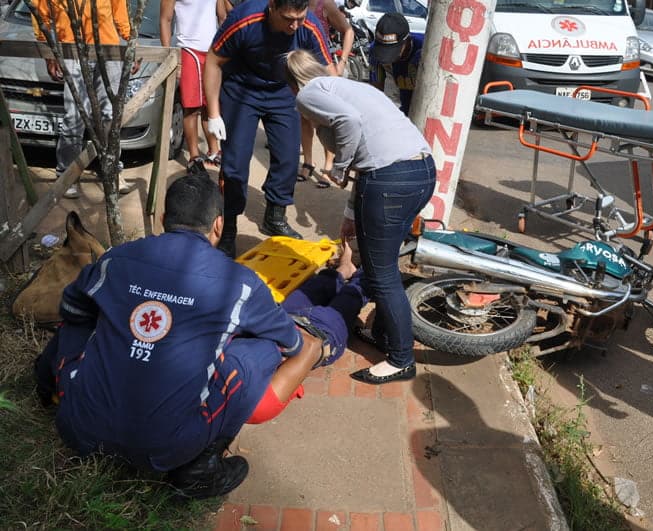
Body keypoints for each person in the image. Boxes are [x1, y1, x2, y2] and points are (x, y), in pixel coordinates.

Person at [34, 171, 368, 498]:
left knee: (77, 323)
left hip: (78, 427)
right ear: (218, 225)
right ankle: (200, 467)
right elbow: (291, 342)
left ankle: (46, 383)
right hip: (166, 446)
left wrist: (126, 327)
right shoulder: (238, 283)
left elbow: (74, 310)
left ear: (165, 218)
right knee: (265, 350)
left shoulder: (115, 260)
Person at [285, 49, 436, 384]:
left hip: (389, 179)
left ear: (293, 84)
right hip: (421, 171)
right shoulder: (348, 86)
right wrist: (353, 215)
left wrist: (336, 169)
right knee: (381, 264)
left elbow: (349, 126)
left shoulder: (309, 94)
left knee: (380, 273)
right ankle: (386, 334)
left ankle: (401, 359)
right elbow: (368, 150)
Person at [203, 0, 334, 258]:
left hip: (282, 91)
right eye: (288, 18)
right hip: (241, 89)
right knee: (236, 165)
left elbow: (328, 72)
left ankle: (275, 215)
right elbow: (212, 61)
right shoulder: (244, 19)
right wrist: (214, 114)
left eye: (300, 17)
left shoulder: (310, 26)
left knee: (287, 157)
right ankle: (228, 225)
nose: (295, 25)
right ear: (272, 7)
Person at [31, 0, 135, 198]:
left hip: (108, 48)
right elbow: (40, 14)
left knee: (110, 115)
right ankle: (67, 175)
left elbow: (120, 12)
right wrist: (48, 53)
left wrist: (130, 43)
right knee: (75, 116)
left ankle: (112, 172)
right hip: (71, 48)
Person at [160, 0, 222, 172]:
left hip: (213, 51)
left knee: (211, 105)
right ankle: (194, 156)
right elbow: (165, 19)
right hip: (189, 50)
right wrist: (170, 55)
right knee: (192, 107)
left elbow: (223, 16)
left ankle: (214, 150)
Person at [298, 0, 354, 186]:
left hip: (323, 69)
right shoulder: (297, 5)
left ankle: (328, 166)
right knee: (304, 118)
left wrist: (342, 61)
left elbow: (348, 31)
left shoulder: (325, 5)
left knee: (325, 120)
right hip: (301, 69)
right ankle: (307, 162)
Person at [369, 12, 423, 116]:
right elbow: (375, 93)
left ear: (407, 40)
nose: (389, 60)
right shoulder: (374, 52)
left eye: (393, 52)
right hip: (406, 110)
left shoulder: (425, 50)